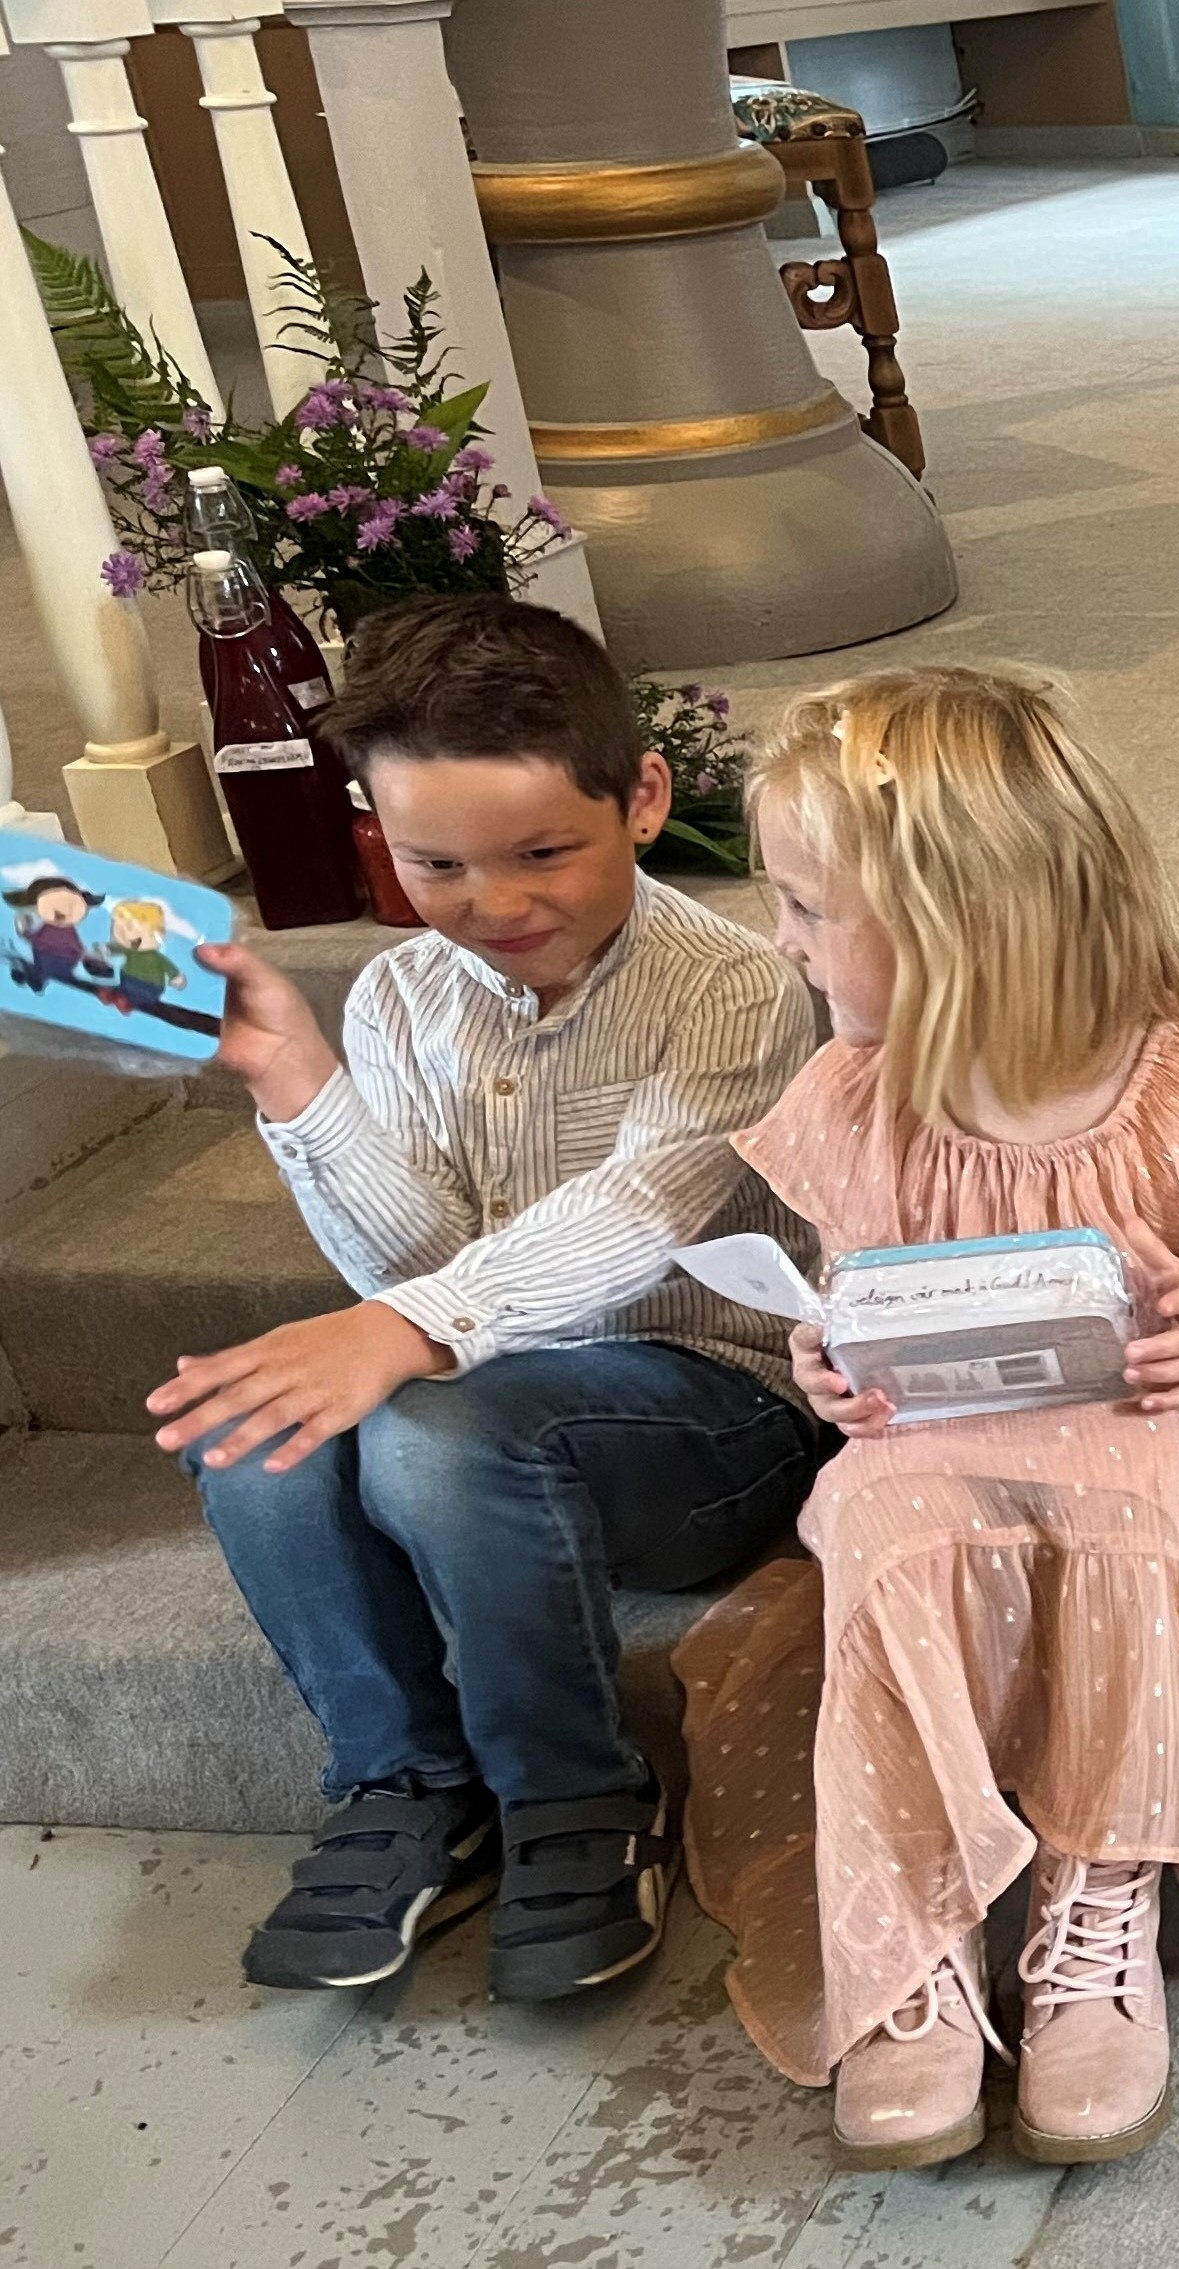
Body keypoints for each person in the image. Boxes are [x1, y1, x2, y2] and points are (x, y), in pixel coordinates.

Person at [674, 667, 1179, 2170]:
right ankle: (905, 1933)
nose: (776, 939)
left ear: (957, 923)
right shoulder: (862, 1099)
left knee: (1126, 1474)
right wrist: (836, 1366)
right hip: (960, 1460)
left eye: (803, 905)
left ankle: (1094, 1888)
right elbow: (870, 1330)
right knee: (867, 1501)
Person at [154, 594, 819, 2004]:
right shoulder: (401, 995)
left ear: (641, 800)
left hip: (717, 1415)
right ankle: (405, 1778)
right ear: (374, 840)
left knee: (435, 1426)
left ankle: (576, 1791)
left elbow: (642, 1216)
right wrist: (298, 1082)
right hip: (490, 1403)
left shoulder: (737, 987)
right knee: (256, 1429)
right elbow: (421, 1264)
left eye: (542, 854)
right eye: (435, 861)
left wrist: (404, 1334)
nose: (495, 903)